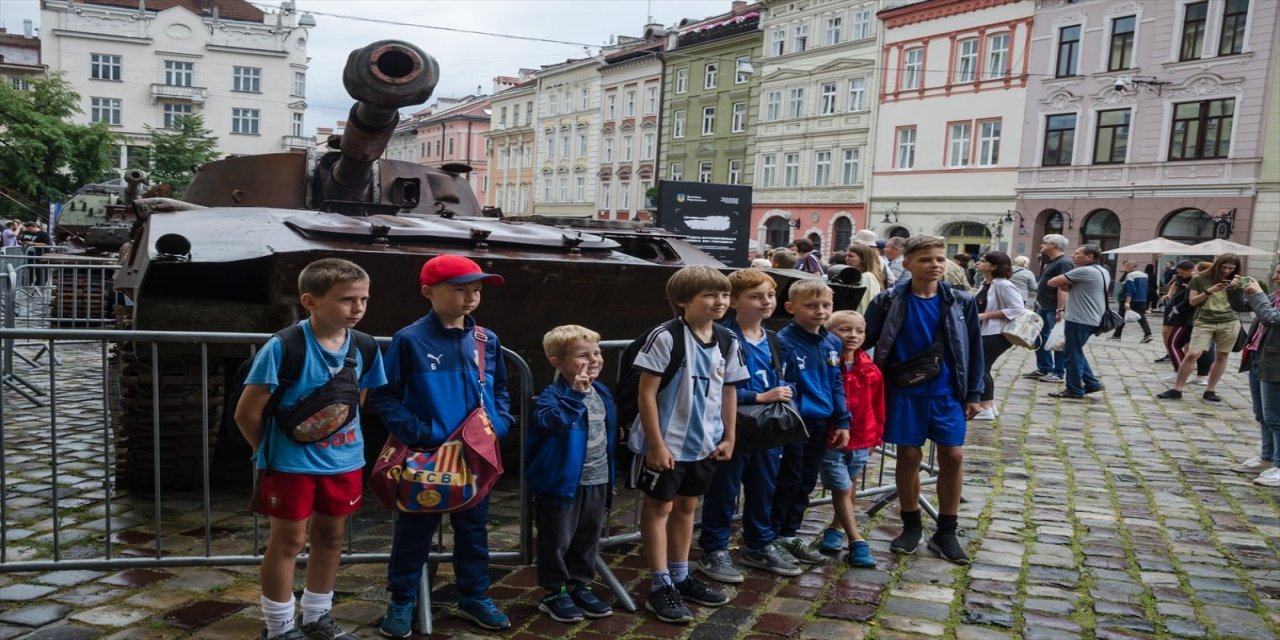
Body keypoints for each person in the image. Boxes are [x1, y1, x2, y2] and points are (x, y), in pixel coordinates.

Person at [234, 258, 387, 640]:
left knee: (331, 538)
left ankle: (317, 615)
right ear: (310, 300)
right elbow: (247, 413)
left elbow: (357, 402)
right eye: (346, 300)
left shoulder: (365, 347)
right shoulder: (284, 347)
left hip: (344, 461)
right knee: (287, 541)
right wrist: (267, 452)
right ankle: (280, 626)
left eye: (364, 300)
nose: (358, 308)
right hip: (290, 464)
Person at [371, 254, 515, 636]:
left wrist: (499, 424)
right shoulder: (410, 340)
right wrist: (420, 432)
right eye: (459, 290)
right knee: (413, 533)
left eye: (476, 291)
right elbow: (385, 395)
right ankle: (402, 598)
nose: (470, 298)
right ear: (428, 292)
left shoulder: (487, 340)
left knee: (474, 530)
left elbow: (500, 387)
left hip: (474, 456)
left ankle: (474, 595)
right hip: (427, 457)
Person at [629, 265, 748, 624]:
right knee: (659, 508)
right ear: (683, 301)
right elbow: (646, 393)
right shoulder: (666, 337)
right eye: (710, 295)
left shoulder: (728, 340)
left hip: (705, 442)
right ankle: (660, 582)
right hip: (669, 442)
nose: (720, 301)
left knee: (686, 507)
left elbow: (730, 390)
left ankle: (680, 575)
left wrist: (729, 436)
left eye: (724, 295)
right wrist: (656, 443)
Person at [863, 235, 982, 564]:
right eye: (927, 259)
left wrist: (975, 393)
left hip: (947, 393)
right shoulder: (888, 301)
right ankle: (911, 524)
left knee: (953, 456)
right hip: (904, 391)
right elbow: (864, 339)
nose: (936, 265)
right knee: (909, 455)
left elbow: (974, 349)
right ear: (908, 263)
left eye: (940, 260)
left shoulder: (961, 302)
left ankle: (946, 530)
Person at [696, 270, 802, 584]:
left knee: (763, 488)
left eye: (769, 295)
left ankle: (758, 544)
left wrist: (784, 392)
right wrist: (758, 395)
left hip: (767, 429)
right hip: (732, 426)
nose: (765, 302)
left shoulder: (774, 339)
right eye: (755, 296)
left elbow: (788, 377)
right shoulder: (721, 337)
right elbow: (712, 387)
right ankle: (713, 548)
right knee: (724, 490)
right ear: (735, 302)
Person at [528, 325, 616, 623]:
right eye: (583, 355)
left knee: (587, 537)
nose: (594, 360)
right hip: (562, 483)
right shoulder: (553, 395)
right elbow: (550, 423)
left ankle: (580, 584)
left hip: (597, 478)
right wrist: (574, 396)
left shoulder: (602, 391)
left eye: (597, 352)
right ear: (557, 361)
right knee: (557, 539)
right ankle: (554, 591)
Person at [774, 279, 851, 564]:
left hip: (821, 421)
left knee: (807, 480)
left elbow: (836, 383)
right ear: (791, 308)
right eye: (811, 306)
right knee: (788, 479)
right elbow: (785, 382)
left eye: (826, 305)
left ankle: (789, 532)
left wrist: (842, 420)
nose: (820, 311)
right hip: (795, 421)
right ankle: (772, 535)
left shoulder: (832, 341)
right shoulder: (783, 341)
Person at [815, 310, 883, 567]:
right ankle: (857, 541)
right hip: (833, 439)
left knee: (850, 485)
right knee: (842, 488)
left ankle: (835, 528)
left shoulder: (870, 369)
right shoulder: (827, 366)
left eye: (858, 330)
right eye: (844, 330)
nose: (852, 335)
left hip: (862, 438)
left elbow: (877, 405)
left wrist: (877, 435)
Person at [1157, 253, 1246, 402]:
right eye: (1224, 267)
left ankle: (1210, 390)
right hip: (1204, 321)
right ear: (1218, 265)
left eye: (1231, 268)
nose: (1226, 271)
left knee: (1222, 355)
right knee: (1192, 354)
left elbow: (1240, 305)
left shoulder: (1238, 281)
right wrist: (1209, 291)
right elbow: (1192, 302)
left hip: (1229, 321)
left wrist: (1236, 289)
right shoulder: (1200, 279)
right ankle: (1177, 388)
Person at [1045, 245, 1110, 400]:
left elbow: (1052, 282)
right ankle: (1091, 382)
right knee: (1074, 350)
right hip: (1092, 317)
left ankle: (1074, 389)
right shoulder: (1102, 271)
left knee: (1072, 354)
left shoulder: (1084, 271)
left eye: (1077, 253)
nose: (1073, 256)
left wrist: (1064, 282)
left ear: (1089, 257)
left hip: (1080, 319)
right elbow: (1071, 289)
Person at [1237, 264, 1280, 486]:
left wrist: (1258, 295)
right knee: (1262, 414)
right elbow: (1242, 306)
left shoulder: (1270, 297)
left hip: (1276, 362)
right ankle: (1267, 457)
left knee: (1276, 416)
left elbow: (1271, 318)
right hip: (1258, 357)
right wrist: (1237, 289)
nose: (1274, 276)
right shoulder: (1275, 295)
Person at [973, 251, 1024, 419]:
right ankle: (989, 405)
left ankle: (985, 407)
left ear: (994, 266)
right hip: (986, 331)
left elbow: (1017, 309)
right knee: (983, 367)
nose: (978, 263)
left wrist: (987, 315)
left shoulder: (1003, 285)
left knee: (980, 368)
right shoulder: (987, 284)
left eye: (982, 261)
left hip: (996, 333)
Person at [1023, 235, 1072, 384]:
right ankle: (1044, 367)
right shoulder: (1050, 262)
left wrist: (1060, 309)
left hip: (1053, 307)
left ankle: (1058, 372)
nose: (1041, 245)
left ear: (1054, 245)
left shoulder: (1064, 262)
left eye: (1045, 243)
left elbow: (1064, 288)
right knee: (1039, 337)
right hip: (1043, 306)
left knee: (1056, 340)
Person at [1110, 260, 1153, 343]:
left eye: (1126, 266)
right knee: (1142, 317)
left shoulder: (1130, 275)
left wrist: (1127, 302)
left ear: (1130, 266)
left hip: (1132, 299)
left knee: (1121, 316)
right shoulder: (1145, 275)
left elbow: (1131, 289)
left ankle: (1117, 335)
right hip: (1142, 299)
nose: (1125, 268)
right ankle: (1148, 334)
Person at [846, 243, 882, 315]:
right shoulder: (859, 276)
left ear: (863, 259)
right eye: (846, 256)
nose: (847, 259)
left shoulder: (867, 277)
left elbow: (865, 304)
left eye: (851, 256)